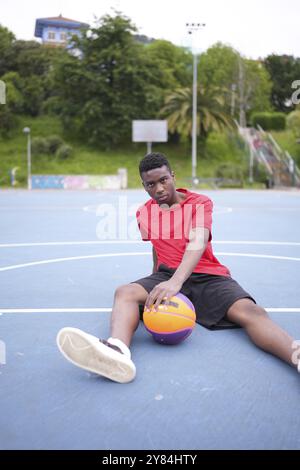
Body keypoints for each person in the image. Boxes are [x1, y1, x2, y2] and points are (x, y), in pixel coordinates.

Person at [56, 152, 300, 383]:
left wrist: (176, 282)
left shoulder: (200, 203)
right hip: (166, 273)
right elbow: (156, 245)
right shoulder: (144, 212)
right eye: (151, 184)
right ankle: (117, 351)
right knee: (124, 293)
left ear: (173, 175)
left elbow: (198, 240)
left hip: (208, 275)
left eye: (163, 180)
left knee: (251, 311)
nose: (159, 188)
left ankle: (295, 356)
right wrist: (154, 278)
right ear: (144, 187)